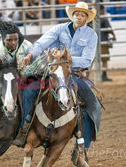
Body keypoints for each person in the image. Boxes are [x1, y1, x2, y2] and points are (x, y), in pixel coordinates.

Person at [13, 2, 102, 151]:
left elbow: (87, 60)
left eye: (82, 15)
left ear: (86, 18)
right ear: (72, 15)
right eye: (76, 14)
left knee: (93, 105)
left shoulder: (91, 35)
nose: (79, 17)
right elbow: (42, 43)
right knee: (29, 90)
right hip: (53, 72)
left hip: (75, 74)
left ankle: (83, 148)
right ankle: (24, 127)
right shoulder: (60, 29)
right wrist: (30, 55)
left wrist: (65, 60)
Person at [100, 5, 116, 81]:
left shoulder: (92, 18)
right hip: (103, 41)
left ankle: (86, 75)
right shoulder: (103, 18)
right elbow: (109, 28)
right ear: (102, 9)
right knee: (104, 60)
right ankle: (104, 75)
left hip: (94, 42)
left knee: (92, 60)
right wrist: (113, 35)